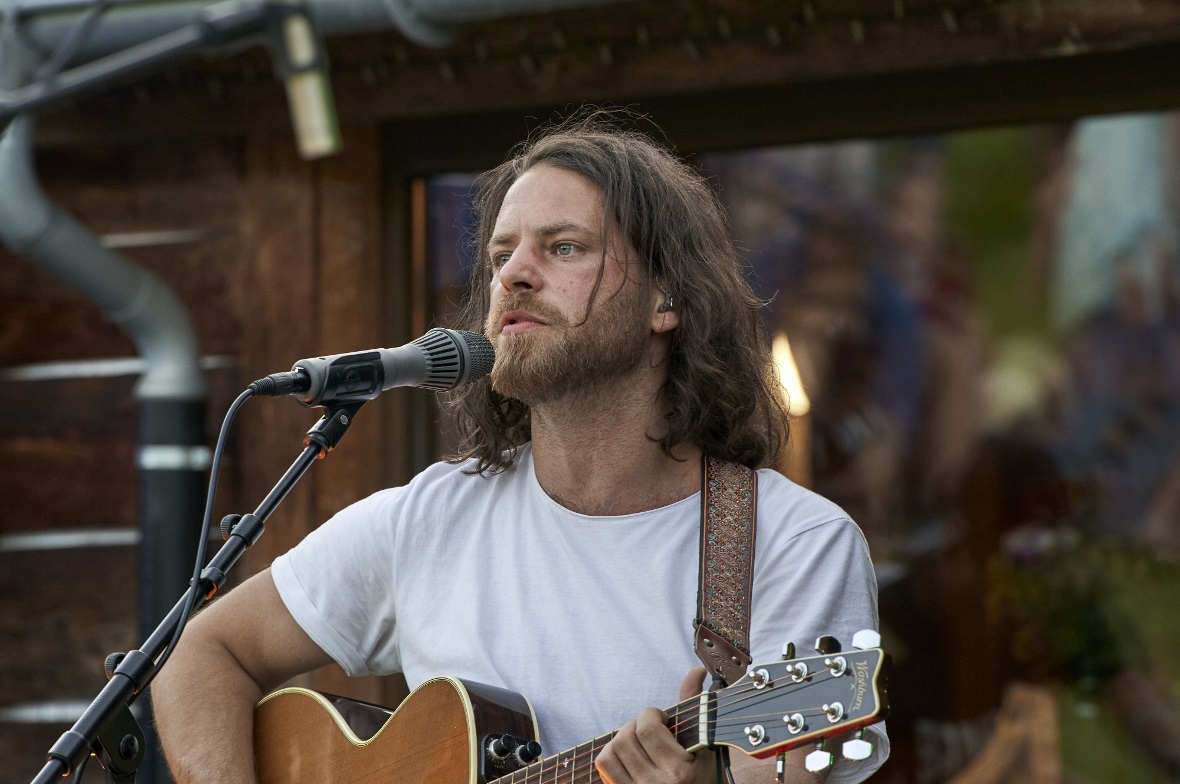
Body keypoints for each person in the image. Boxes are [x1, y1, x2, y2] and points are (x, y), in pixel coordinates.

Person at [152, 111, 888, 784]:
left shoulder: (791, 546)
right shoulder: (430, 520)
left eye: (563, 247)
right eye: (502, 255)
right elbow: (199, 655)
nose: (513, 275)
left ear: (668, 300)